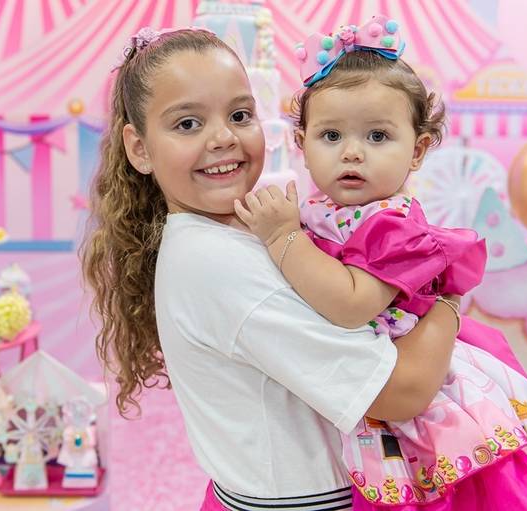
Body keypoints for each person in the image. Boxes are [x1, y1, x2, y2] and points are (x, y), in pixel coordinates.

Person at [82, 26, 466, 511]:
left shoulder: (243, 231)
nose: (223, 138)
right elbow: (401, 392)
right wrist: (448, 299)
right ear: (139, 148)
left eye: (240, 115)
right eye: (187, 124)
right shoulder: (218, 263)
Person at [234, 17, 527, 510]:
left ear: (416, 151)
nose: (352, 152)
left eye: (377, 136)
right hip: (351, 381)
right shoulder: (321, 212)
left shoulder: (396, 228)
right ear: (302, 145)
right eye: (331, 135)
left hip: (411, 387)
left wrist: (283, 238)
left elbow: (352, 304)